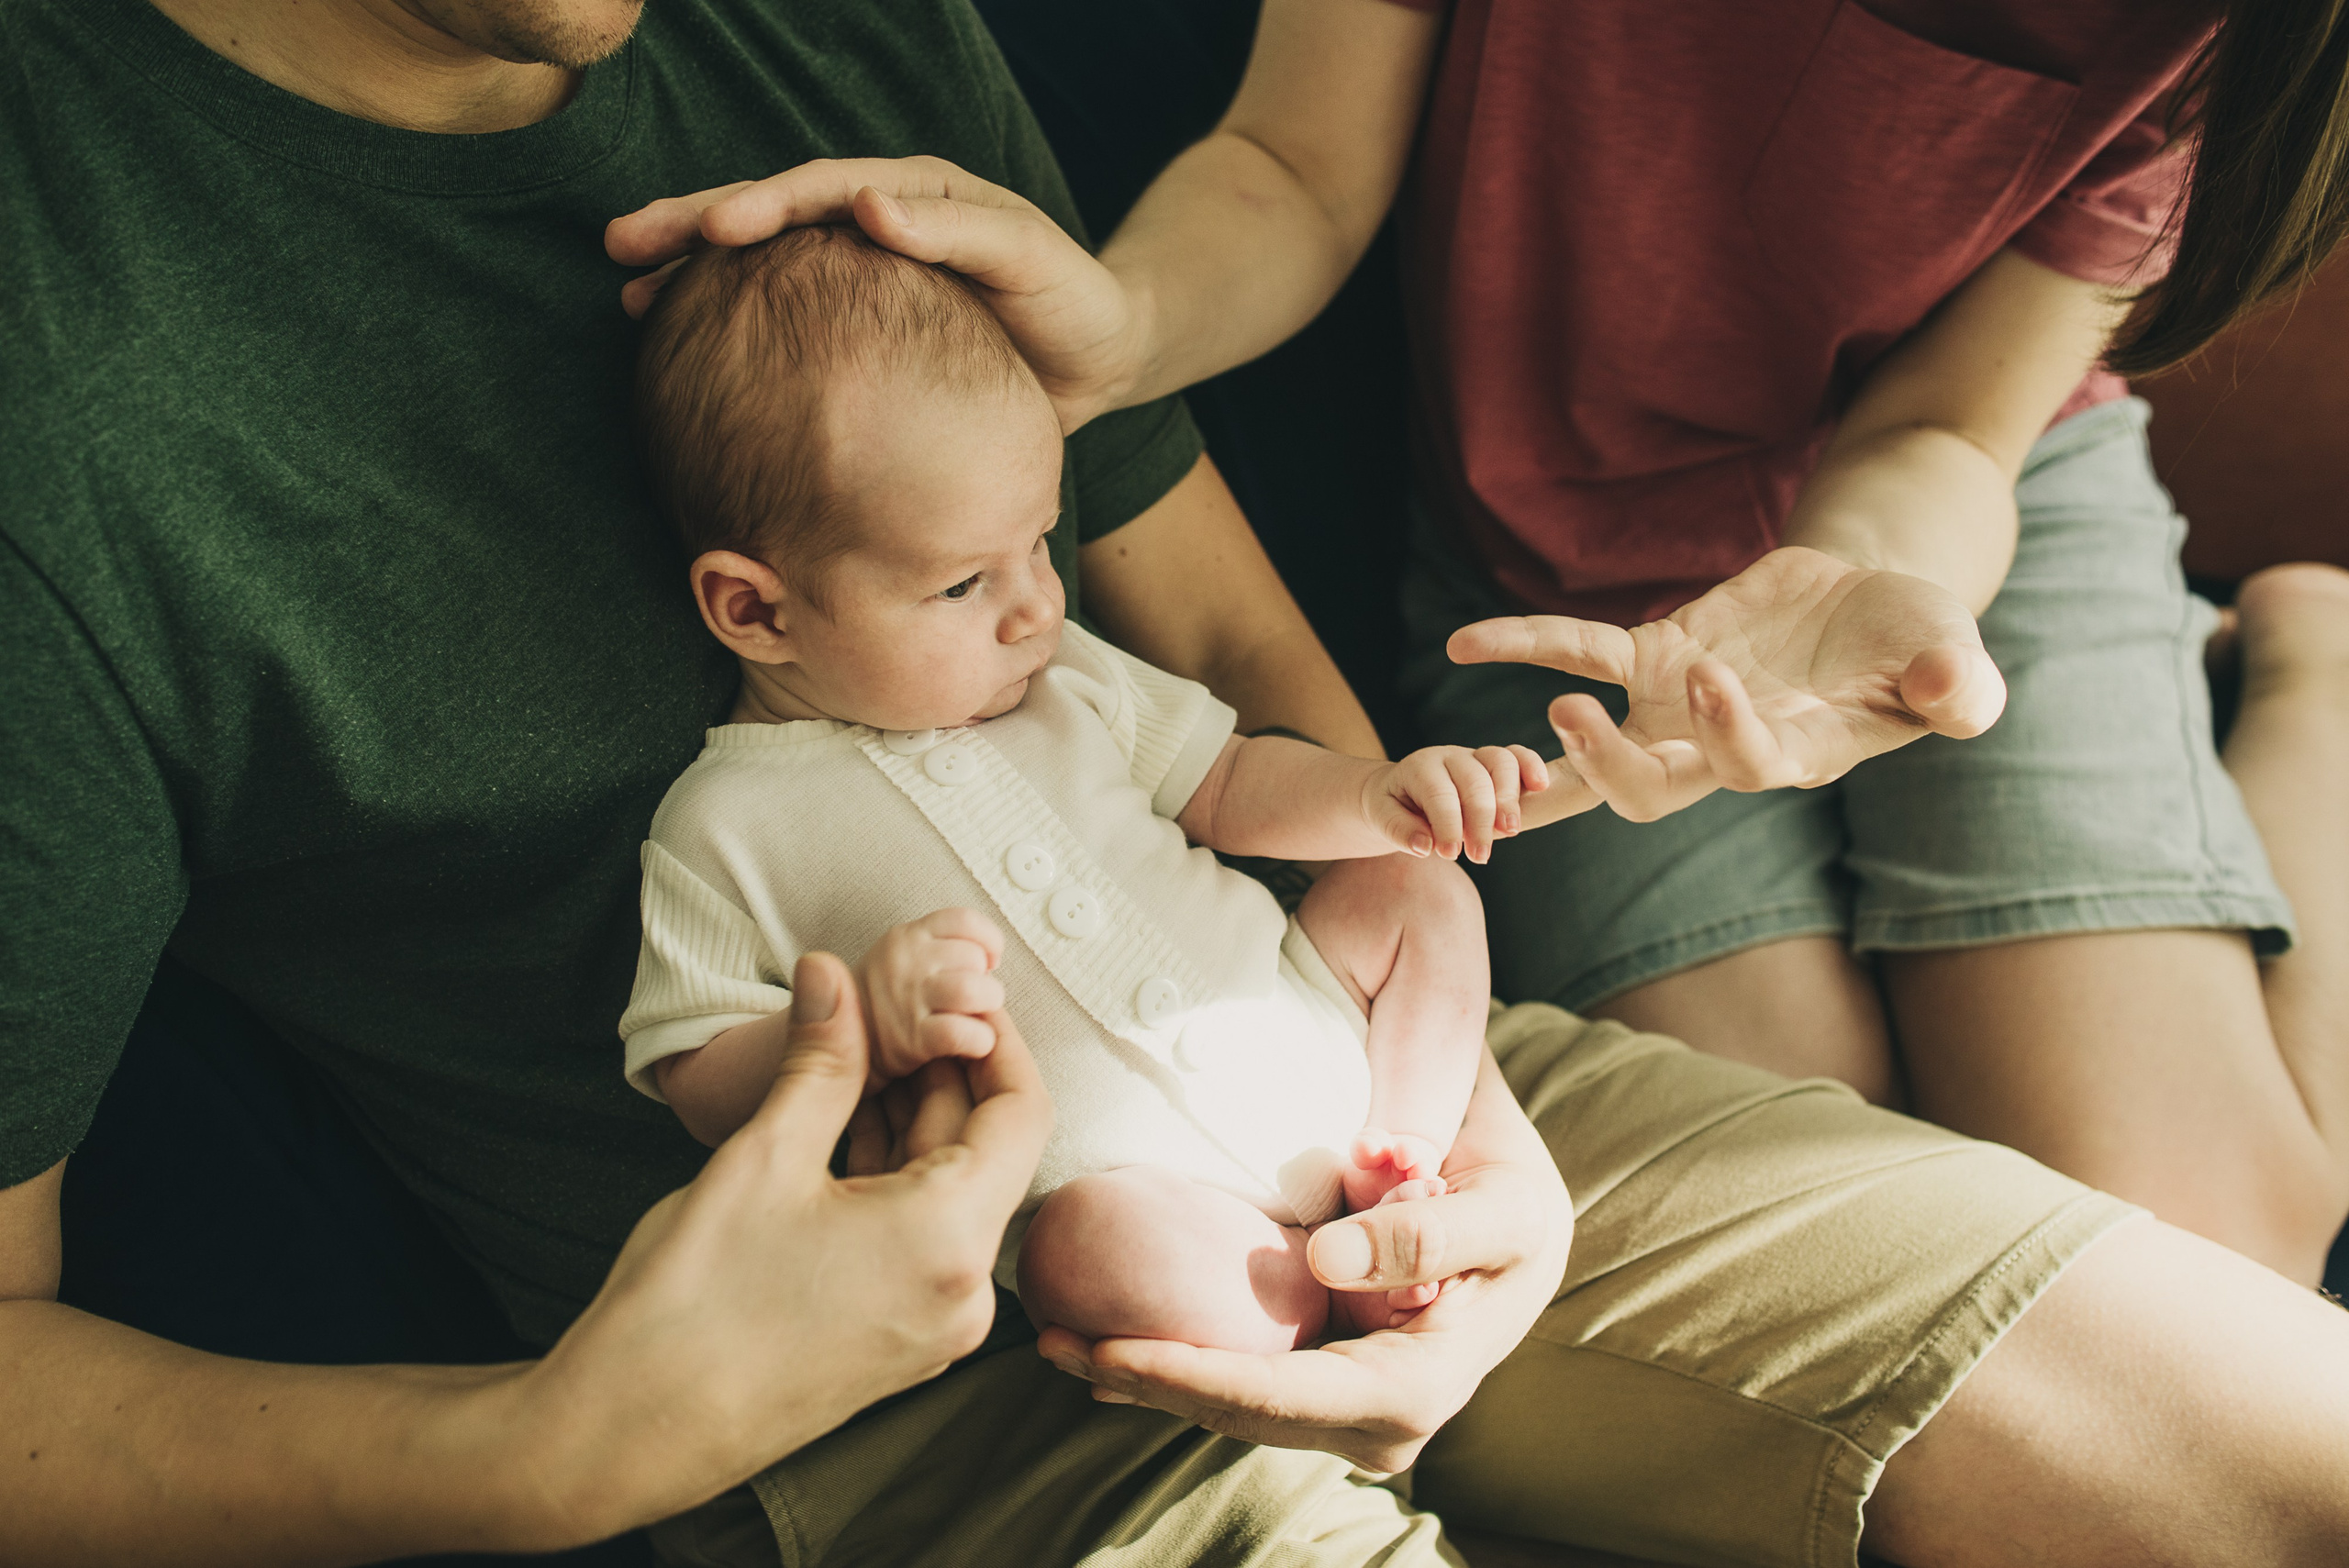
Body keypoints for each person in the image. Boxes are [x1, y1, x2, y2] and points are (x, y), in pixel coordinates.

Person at [6, 3, 2349, 1568]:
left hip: (1337, 1074)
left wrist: (1455, 1088)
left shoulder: (815, 49)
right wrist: (541, 1455)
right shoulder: (60, 359)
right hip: (899, 1360)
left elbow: (1219, 664)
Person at [652, 0, 2349, 1288]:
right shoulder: (741, 816)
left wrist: (1853, 577)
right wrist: (1132, 329)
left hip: (1956, 519)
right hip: (1563, 559)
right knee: (1853, 1217)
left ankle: (2319, 676)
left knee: (2223, 1248)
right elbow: (1293, 166)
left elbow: (1951, 427)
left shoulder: (2229, 47)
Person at [619, 226, 1564, 1351]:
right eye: (963, 582)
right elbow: (694, 1069)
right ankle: (1293, 1309)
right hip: (1146, 1199)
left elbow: (1225, 778)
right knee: (1081, 1253)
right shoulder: (720, 826)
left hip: (1315, 1036)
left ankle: (1404, 1162)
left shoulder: (1064, 678)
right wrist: (859, 1024)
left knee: (1413, 891)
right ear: (755, 611)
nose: (1036, 606)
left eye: (1040, 543)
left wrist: (1372, 794)